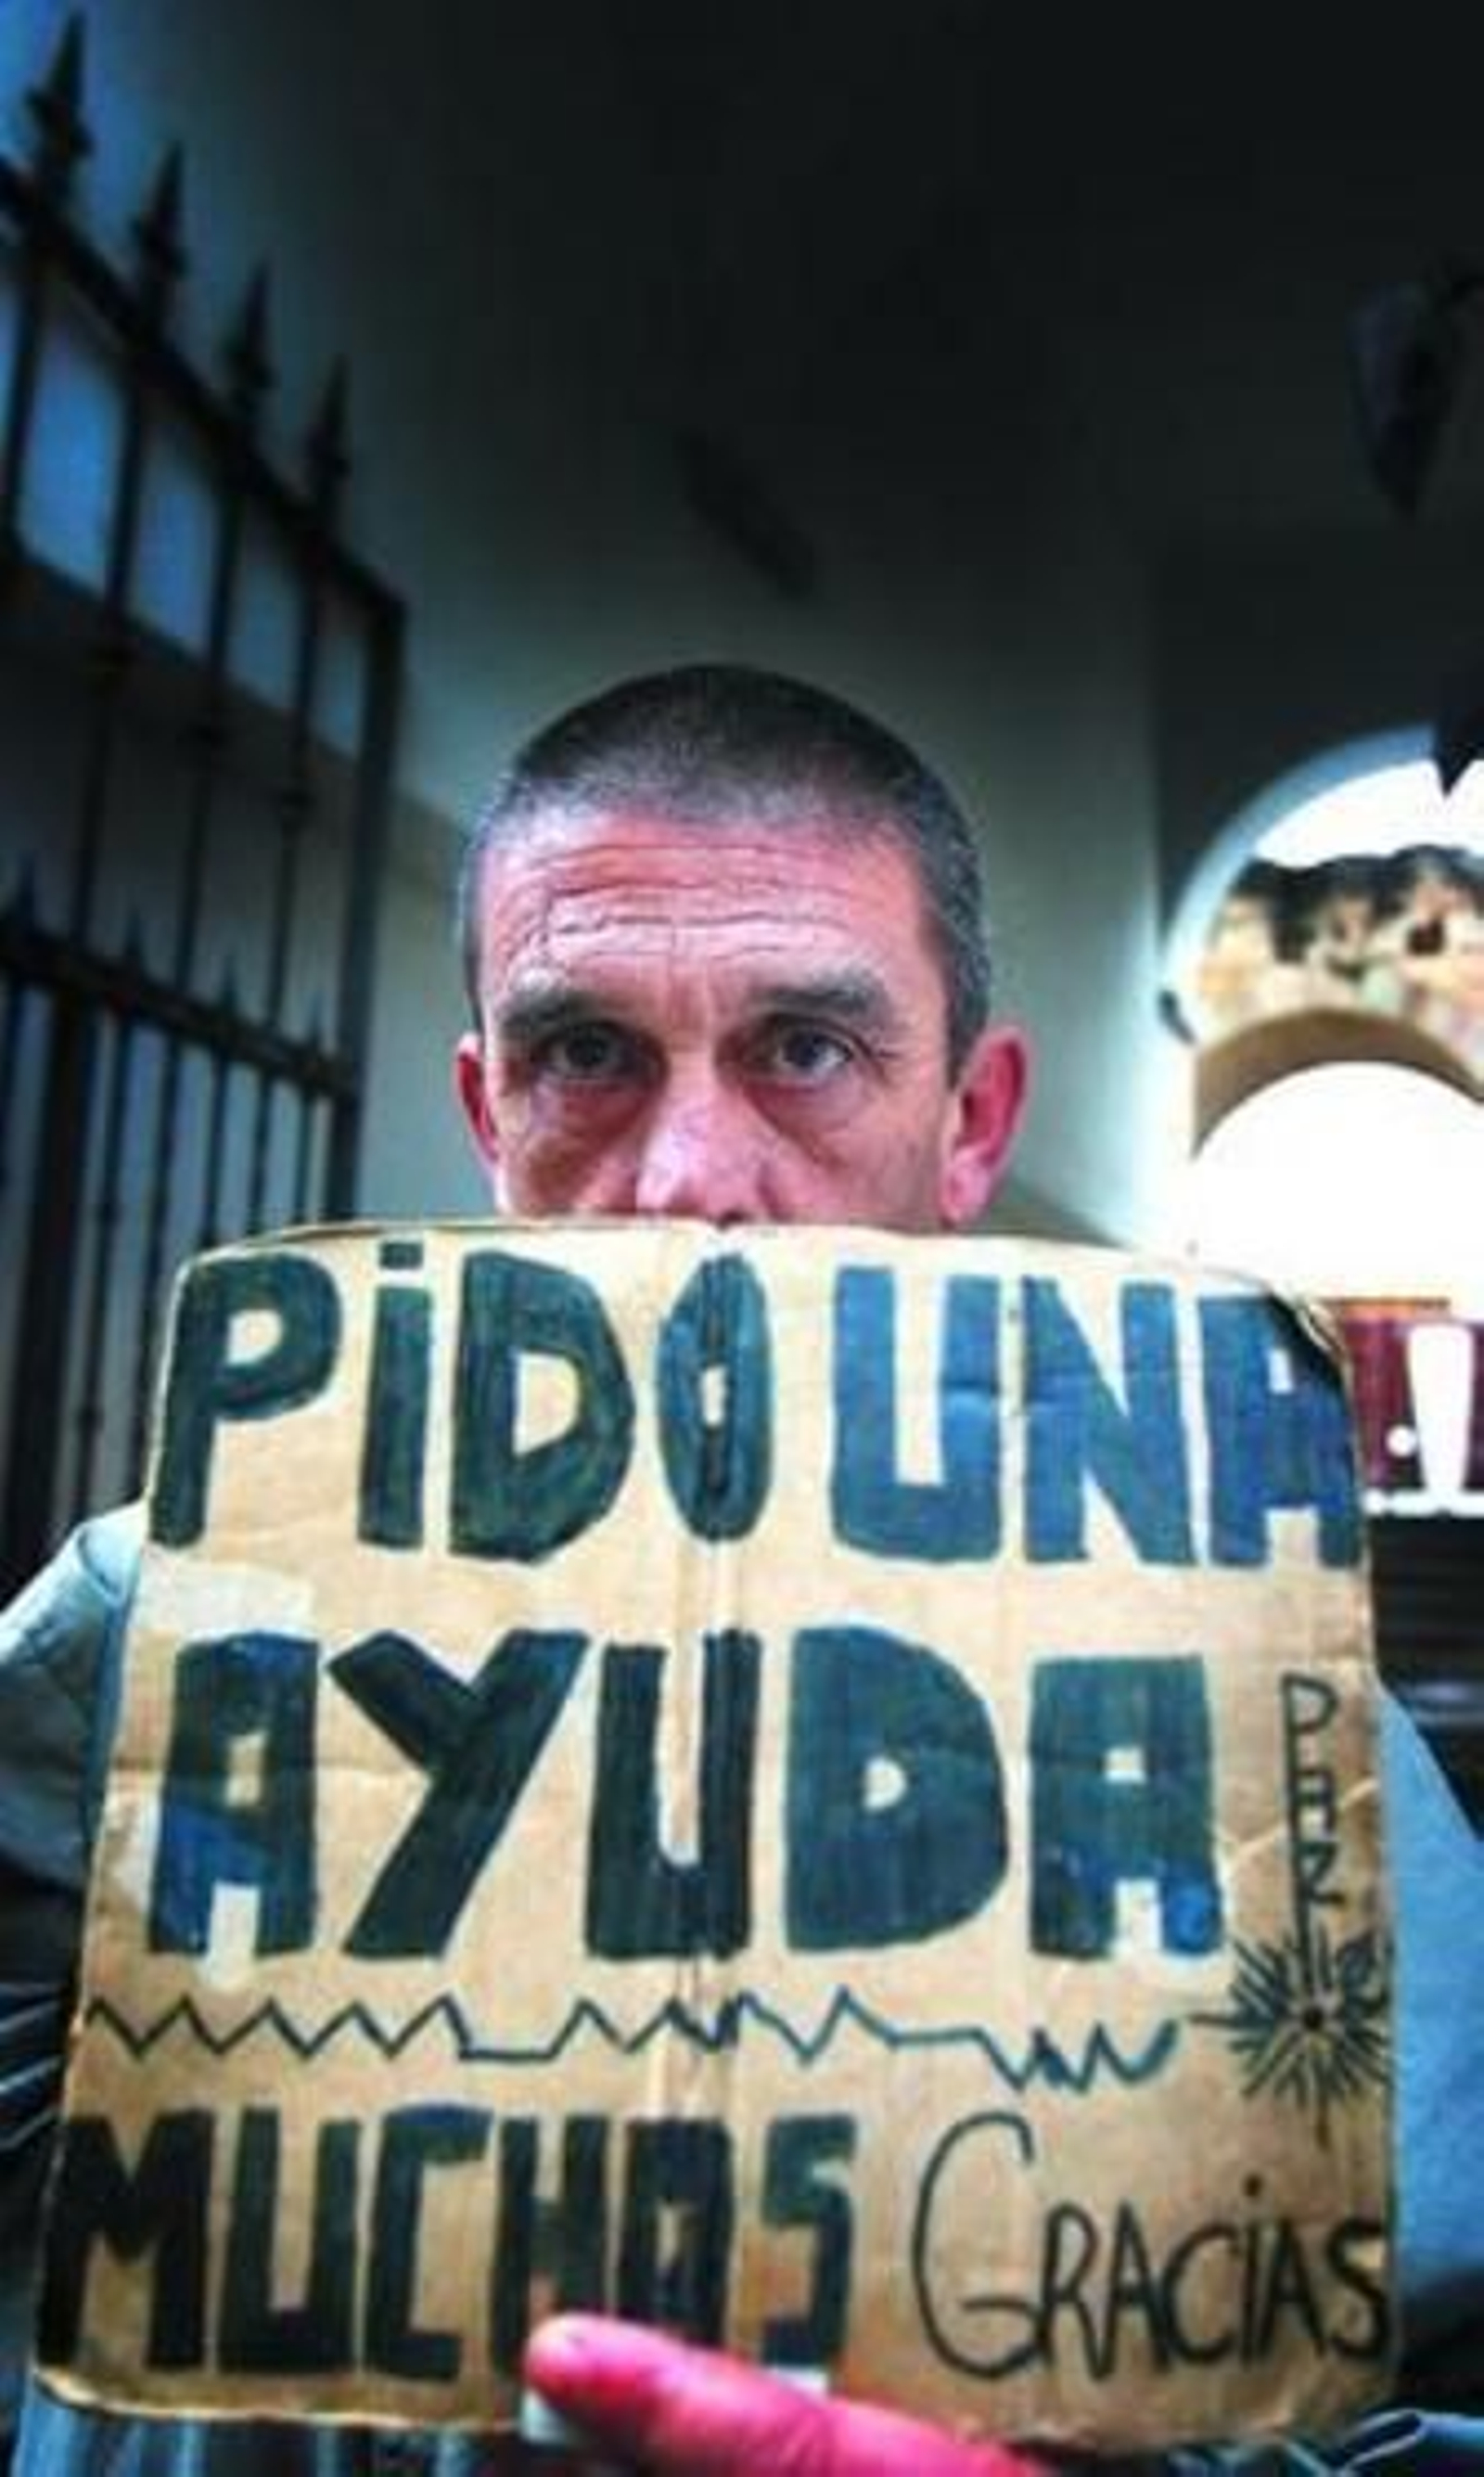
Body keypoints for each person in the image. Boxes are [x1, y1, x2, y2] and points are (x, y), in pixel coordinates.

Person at [3, 664, 1483, 2476]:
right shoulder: (163, 1617)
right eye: (583, 1055)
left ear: (971, 1124)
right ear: (487, 1110)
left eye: (804, 1051)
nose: (686, 1178)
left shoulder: (1261, 1700)